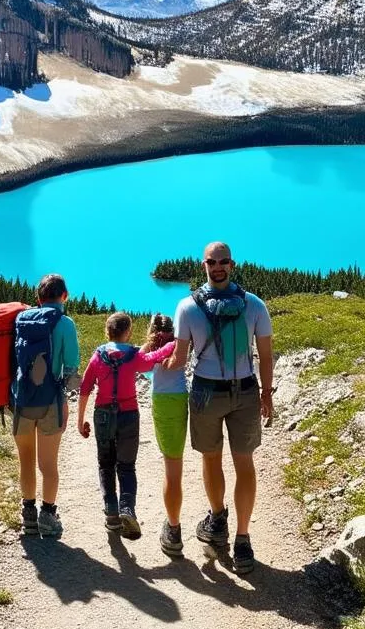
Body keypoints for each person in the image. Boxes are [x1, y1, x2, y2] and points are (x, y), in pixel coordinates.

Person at [169, 241, 273, 575]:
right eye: (213, 262)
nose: (217, 266)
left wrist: (140, 359)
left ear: (230, 264)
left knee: (211, 458)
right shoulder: (254, 305)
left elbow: (179, 360)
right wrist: (266, 393)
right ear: (205, 265)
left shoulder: (187, 307)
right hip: (244, 390)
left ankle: (218, 519)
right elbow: (266, 355)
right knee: (244, 462)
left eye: (222, 261)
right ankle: (242, 540)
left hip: (205, 391)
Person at [77, 312, 175, 540]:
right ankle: (127, 509)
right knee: (127, 466)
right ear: (128, 332)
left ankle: (111, 513)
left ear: (107, 331)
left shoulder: (98, 356)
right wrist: (176, 343)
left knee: (105, 464)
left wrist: (80, 419)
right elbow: (155, 358)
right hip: (128, 414)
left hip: (102, 415)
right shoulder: (133, 355)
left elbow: (85, 387)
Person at [12, 273, 80, 540]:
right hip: (51, 401)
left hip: (22, 399)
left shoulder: (21, 319)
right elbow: (72, 370)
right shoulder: (65, 323)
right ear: (65, 296)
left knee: (25, 461)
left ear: (38, 298)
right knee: (48, 464)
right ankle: (48, 516)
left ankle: (28, 516)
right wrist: (67, 399)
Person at [145, 313, 188, 557]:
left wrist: (152, 343)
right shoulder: (180, 343)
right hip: (181, 398)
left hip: (162, 402)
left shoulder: (153, 347)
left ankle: (173, 530)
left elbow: (140, 361)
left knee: (171, 468)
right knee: (176, 462)